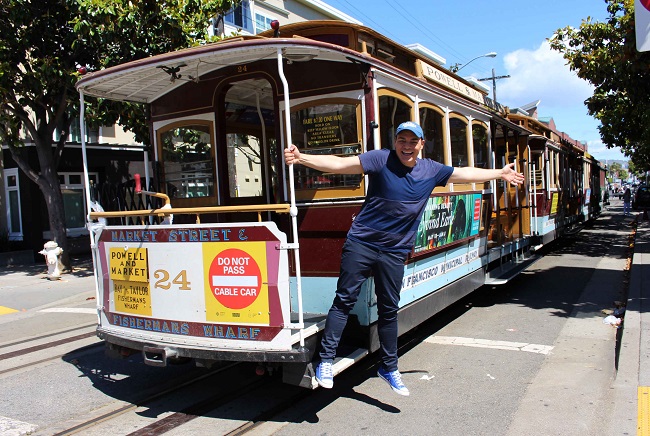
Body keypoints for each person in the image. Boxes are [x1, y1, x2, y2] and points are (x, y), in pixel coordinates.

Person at [284, 121, 525, 396]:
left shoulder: (431, 170)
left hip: (394, 250)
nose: (407, 146)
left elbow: (463, 172)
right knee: (344, 299)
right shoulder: (379, 159)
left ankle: (389, 367)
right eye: (402, 140)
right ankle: (325, 361)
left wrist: (499, 173)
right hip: (362, 243)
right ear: (395, 141)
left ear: (422, 144)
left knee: (389, 309)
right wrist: (301, 156)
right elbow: (340, 164)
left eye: (413, 141)